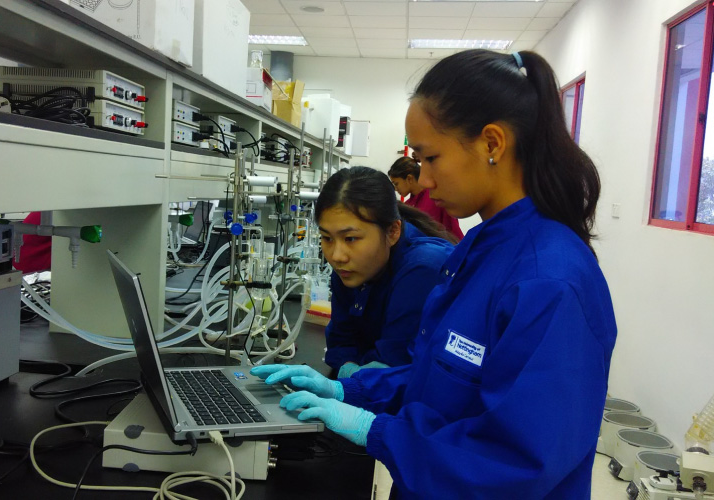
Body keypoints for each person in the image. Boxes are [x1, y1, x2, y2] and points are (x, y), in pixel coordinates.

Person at [252, 50, 616, 499]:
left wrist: (376, 430)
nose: (422, 181)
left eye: (430, 158)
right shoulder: (484, 248)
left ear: (492, 144)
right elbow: (441, 378)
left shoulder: (549, 281)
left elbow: (516, 463)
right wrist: (348, 391)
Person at [315, 166, 455, 379]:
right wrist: (351, 369)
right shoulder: (349, 268)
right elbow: (339, 343)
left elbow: (391, 365)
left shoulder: (423, 267)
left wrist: (354, 375)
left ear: (392, 232)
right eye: (327, 238)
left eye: (350, 238)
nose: (336, 255)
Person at [388, 156, 464, 241]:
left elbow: (454, 232)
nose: (395, 188)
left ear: (409, 178)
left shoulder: (437, 198)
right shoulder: (407, 205)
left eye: (396, 183)